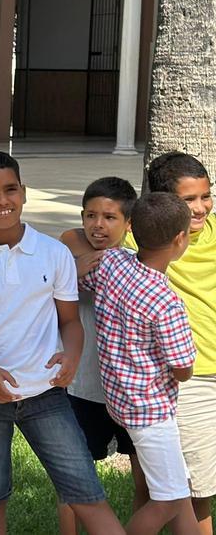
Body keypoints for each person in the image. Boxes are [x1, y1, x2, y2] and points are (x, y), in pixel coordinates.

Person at [0, 150, 122, 534]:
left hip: (46, 394)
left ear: (23, 192)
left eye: (10, 189)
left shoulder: (53, 253)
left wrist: (72, 355)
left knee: (85, 490)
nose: (2, 200)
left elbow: (70, 321)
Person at [84, 192, 200, 535]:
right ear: (181, 239)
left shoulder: (112, 263)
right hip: (151, 413)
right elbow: (183, 368)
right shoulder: (166, 302)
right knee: (168, 497)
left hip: (121, 402)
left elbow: (83, 276)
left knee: (175, 490)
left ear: (131, 229)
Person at [57, 176, 144, 534]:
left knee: (145, 479)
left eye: (110, 217)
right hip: (82, 388)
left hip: (131, 391)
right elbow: (68, 237)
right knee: (72, 483)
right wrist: (74, 268)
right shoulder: (67, 257)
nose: (98, 225)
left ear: (129, 225)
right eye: (91, 216)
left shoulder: (136, 263)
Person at [141, 152, 216, 534]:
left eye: (206, 195)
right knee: (193, 491)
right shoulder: (149, 238)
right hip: (193, 378)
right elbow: (79, 237)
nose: (201, 207)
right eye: (189, 200)